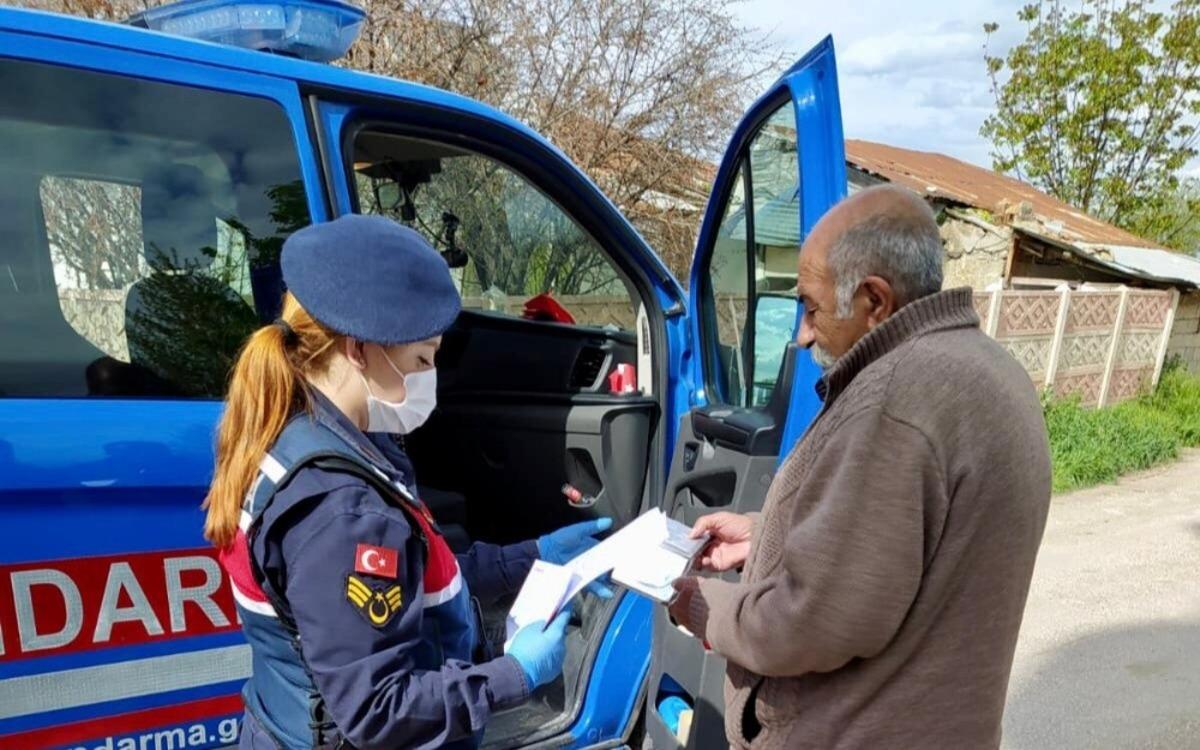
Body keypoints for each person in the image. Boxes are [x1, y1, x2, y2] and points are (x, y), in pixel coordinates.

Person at [203, 214, 611, 750]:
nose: (429, 379)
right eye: (422, 359)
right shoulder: (344, 510)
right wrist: (515, 674)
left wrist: (534, 555)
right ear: (357, 349)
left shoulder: (302, 435)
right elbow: (379, 711)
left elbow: (410, 580)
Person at [668, 185, 1052, 749]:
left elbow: (810, 621)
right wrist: (766, 533)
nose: (801, 334)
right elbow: (905, 549)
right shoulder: (988, 367)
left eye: (813, 307)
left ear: (875, 301)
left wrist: (703, 606)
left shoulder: (895, 398)